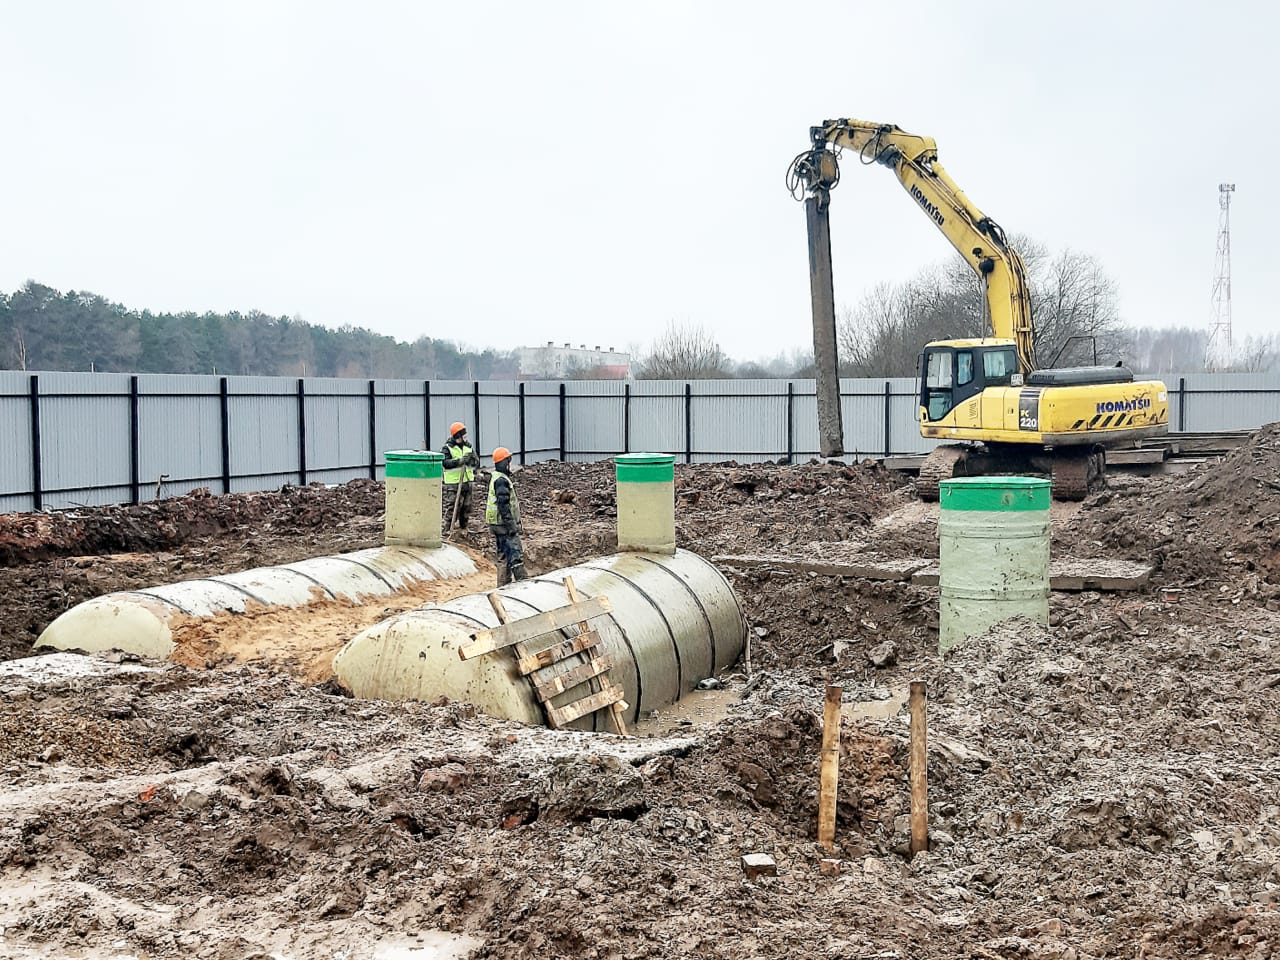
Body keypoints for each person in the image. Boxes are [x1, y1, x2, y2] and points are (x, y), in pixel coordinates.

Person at [486, 446, 527, 586]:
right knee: (515, 555)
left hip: (497, 524)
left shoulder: (496, 478)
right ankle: (523, 585)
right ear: (504, 462)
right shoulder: (501, 481)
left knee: (502, 556)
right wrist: (512, 526)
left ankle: (503, 587)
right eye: (508, 461)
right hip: (503, 525)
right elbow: (503, 506)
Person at [440, 422, 478, 531]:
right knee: (453, 506)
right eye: (463, 436)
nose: (465, 438)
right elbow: (445, 463)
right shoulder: (447, 448)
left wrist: (472, 460)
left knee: (467, 507)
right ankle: (447, 528)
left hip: (467, 481)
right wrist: (460, 461)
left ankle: (463, 528)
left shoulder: (468, 446)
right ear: (457, 436)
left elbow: (476, 462)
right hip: (453, 483)